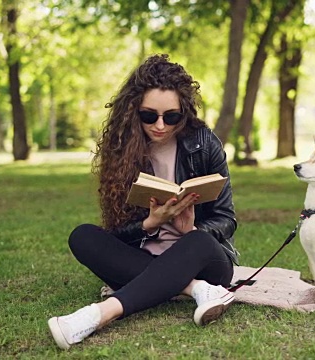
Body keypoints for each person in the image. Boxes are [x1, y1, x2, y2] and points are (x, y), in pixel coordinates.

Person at [47, 54, 239, 350]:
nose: (160, 125)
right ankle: (195, 290)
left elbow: (227, 218)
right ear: (134, 111)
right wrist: (151, 223)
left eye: (171, 117)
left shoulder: (204, 143)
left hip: (202, 257)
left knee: (198, 242)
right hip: (145, 258)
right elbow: (117, 230)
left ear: (183, 112)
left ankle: (99, 315)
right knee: (82, 236)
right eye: (149, 116)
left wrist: (190, 229)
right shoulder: (122, 149)